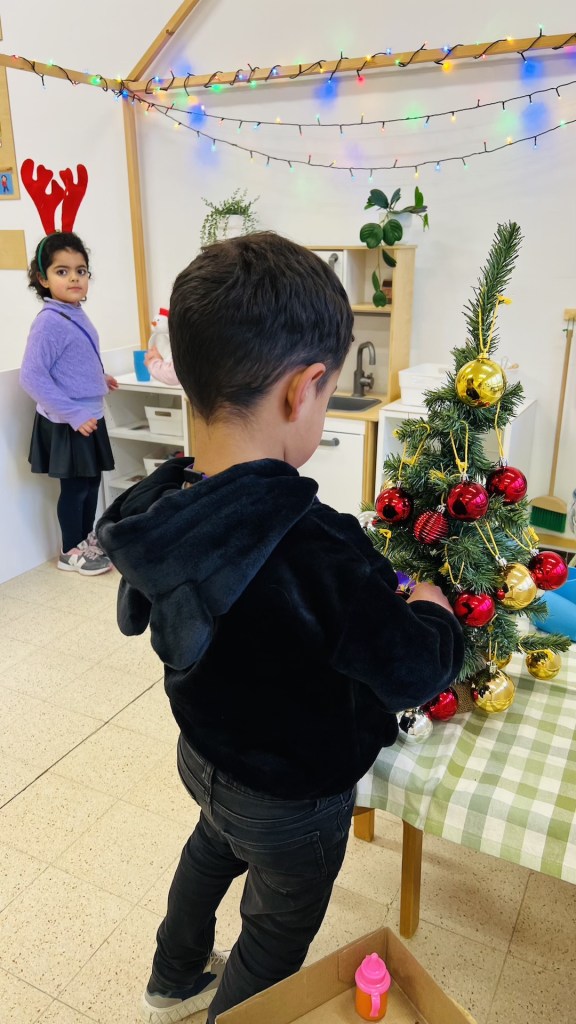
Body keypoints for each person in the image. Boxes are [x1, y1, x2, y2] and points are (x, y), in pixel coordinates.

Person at [97, 232, 464, 1024]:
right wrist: (433, 610)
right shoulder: (319, 546)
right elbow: (411, 670)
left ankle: (172, 980)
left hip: (206, 756)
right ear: (304, 390)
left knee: (210, 848)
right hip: (293, 794)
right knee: (275, 928)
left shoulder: (161, 503)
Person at [20, 231, 117, 575]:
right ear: (42, 279)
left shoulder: (74, 312)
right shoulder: (50, 321)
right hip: (69, 421)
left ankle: (85, 540)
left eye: (81, 270)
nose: (74, 278)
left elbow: (73, 361)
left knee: (91, 484)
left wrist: (99, 378)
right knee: (75, 489)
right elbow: (32, 376)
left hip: (87, 416)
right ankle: (69, 551)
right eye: (62, 271)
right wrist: (74, 413)